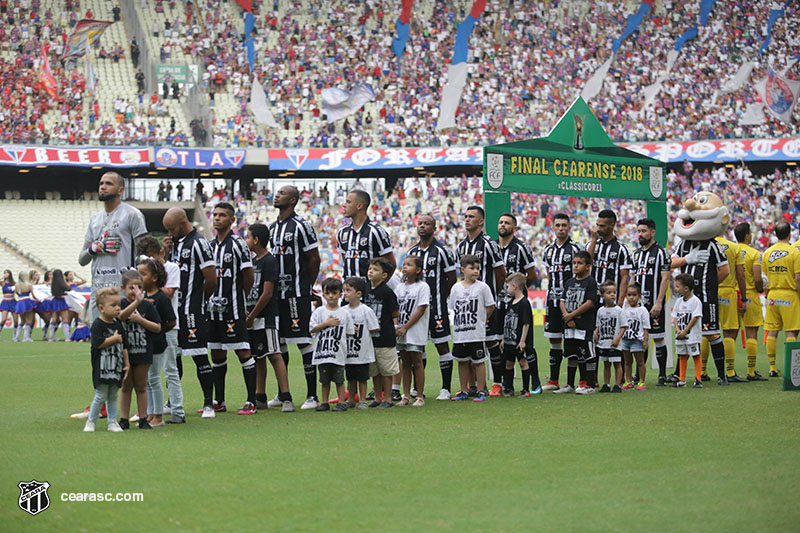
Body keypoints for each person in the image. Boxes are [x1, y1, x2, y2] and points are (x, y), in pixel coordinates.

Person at [162, 207, 218, 418]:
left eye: (172, 228)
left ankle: (208, 404)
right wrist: (165, 253)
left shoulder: (199, 243)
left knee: (199, 356)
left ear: (183, 221)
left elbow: (211, 279)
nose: (169, 233)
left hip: (192, 311)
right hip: (173, 312)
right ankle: (172, 401)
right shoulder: (173, 245)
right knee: (173, 359)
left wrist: (198, 301)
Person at [270, 185, 321, 410]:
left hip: (296, 293)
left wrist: (307, 284)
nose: (276, 195)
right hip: (276, 295)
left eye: (282, 193)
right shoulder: (272, 228)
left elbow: (314, 258)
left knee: (302, 340)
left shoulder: (302, 226)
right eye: (277, 192)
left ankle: (312, 395)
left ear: (292, 200)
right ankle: (283, 393)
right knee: (279, 342)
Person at [671, 192, 731, 385]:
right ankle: (679, 373)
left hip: (706, 298)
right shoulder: (683, 244)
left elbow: (724, 270)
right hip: (685, 300)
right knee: (683, 334)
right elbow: (670, 263)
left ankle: (722, 375)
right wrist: (687, 260)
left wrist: (710, 286)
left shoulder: (713, 245)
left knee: (712, 333)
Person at [78, 171, 147, 324]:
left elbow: (144, 252)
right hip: (99, 288)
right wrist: (93, 249)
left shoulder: (132, 215)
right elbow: (82, 260)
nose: (103, 187)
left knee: (123, 339)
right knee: (99, 340)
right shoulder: (95, 219)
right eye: (101, 183)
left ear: (120, 190)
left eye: (109, 184)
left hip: (123, 288)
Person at [207, 202, 257, 416]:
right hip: (212, 310)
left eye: (223, 215)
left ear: (232, 220)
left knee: (243, 351)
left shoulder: (238, 245)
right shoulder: (210, 246)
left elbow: (249, 277)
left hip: (233, 310)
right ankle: (219, 400)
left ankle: (251, 401)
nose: (217, 218)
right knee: (217, 352)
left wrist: (240, 300)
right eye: (215, 214)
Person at [406, 215, 457, 400]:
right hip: (416, 309)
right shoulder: (412, 252)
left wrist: (441, 298)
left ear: (434, 228)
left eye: (427, 224)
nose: (422, 226)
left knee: (442, 345)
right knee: (416, 347)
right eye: (420, 223)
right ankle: (416, 387)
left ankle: (445, 388)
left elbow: (451, 278)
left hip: (436, 308)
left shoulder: (442, 251)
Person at [456, 206, 505, 396]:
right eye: (465, 216)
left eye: (471, 217)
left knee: (492, 343)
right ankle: (472, 386)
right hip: (467, 306)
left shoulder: (488, 244)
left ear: (481, 221)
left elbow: (501, 273)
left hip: (486, 304)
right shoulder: (461, 246)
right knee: (468, 346)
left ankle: (497, 384)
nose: (467, 219)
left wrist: (493, 296)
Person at [245, 223, 293, 412]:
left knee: (274, 354)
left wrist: (253, 315)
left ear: (256, 240)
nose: (246, 240)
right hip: (253, 316)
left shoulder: (269, 261)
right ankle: (260, 396)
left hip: (266, 317)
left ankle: (286, 396)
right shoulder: (254, 261)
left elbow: (267, 293)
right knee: (258, 356)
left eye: (248, 237)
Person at [137, 235, 185, 423]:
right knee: (151, 374)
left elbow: (170, 292)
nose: (147, 261)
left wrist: (151, 283)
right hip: (150, 331)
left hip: (168, 327)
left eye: (149, 257)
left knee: (170, 370)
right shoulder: (145, 276)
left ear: (158, 253)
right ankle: (152, 411)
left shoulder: (171, 268)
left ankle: (177, 410)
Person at [495, 212, 536, 396]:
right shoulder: (493, 247)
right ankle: (506, 385)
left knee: (525, 347)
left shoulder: (521, 248)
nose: (503, 225)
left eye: (507, 223)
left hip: (518, 307)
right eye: (501, 222)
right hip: (500, 306)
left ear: (514, 228)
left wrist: (519, 294)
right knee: (504, 347)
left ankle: (533, 384)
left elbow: (532, 275)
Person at [542, 213, 582, 391]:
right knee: (554, 339)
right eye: (557, 225)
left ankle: (573, 382)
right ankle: (553, 380)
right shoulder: (548, 250)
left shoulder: (575, 249)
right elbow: (550, 273)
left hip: (571, 302)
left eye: (564, 225)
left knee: (572, 340)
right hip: (552, 300)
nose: (561, 228)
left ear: (569, 228)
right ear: (553, 227)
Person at [118, 270, 161, 430]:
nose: (135, 292)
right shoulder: (121, 303)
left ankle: (143, 418)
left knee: (141, 386)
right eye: (131, 288)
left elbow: (157, 327)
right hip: (126, 353)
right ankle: (123, 418)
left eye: (139, 288)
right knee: (126, 386)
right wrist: (136, 303)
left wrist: (140, 319)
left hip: (143, 351)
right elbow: (121, 317)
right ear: (123, 288)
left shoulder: (148, 306)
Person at [449, 254, 495, 402]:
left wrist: (483, 319)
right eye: (472, 268)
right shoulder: (456, 288)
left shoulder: (483, 287)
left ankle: (481, 390)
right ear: (462, 269)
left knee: (478, 362)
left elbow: (490, 306)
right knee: (462, 361)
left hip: (476, 334)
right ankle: (464, 390)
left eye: (478, 268)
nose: (476, 271)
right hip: (460, 333)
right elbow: (453, 308)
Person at [631, 218, 671, 385]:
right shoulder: (636, 254)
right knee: (639, 338)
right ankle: (639, 374)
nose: (640, 234)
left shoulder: (662, 253)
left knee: (658, 337)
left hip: (654, 302)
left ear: (652, 232)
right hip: (639, 305)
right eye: (639, 231)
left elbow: (665, 278)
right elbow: (633, 279)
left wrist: (659, 302)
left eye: (644, 231)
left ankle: (662, 374)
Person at [84, 287, 129, 433]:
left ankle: (112, 422)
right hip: (101, 367)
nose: (117, 308)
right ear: (101, 308)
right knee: (101, 395)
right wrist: (114, 339)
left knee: (113, 395)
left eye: (119, 305)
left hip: (116, 366)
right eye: (113, 305)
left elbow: (124, 346)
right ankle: (91, 421)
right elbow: (98, 343)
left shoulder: (118, 325)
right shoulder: (97, 324)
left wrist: (126, 364)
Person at [759, 221, 800, 377]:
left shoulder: (767, 253)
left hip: (773, 295)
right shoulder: (795, 252)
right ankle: (792, 369)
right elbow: (798, 278)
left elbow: (764, 279)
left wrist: (767, 294)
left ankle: (772, 368)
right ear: (790, 234)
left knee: (772, 332)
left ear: (775, 234)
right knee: (791, 333)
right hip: (790, 294)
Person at [138, 258, 175, 427]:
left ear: (154, 278)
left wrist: (159, 331)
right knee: (146, 380)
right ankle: (150, 414)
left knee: (154, 379)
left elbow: (171, 321)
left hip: (157, 344)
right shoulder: (141, 297)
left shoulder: (161, 297)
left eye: (143, 274)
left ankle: (158, 416)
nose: (139, 278)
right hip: (144, 344)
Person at [556, 251, 599, 395]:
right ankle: (569, 384)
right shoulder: (569, 282)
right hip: (569, 326)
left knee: (588, 354)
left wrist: (571, 316)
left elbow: (590, 303)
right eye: (574, 263)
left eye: (579, 263)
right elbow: (562, 301)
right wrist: (566, 316)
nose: (575, 266)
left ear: (587, 266)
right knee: (571, 354)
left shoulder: (591, 282)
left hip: (584, 326)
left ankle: (590, 384)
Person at [310, 278, 354, 412]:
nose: (331, 296)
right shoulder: (319, 312)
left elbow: (350, 332)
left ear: (340, 294)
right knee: (324, 380)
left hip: (338, 352)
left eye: (334, 293)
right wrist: (326, 324)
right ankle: (324, 402)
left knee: (339, 379)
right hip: (323, 353)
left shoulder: (345, 313)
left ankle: (341, 402)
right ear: (323, 294)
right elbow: (312, 329)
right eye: (327, 293)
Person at [394, 256, 430, 407]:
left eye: (409, 265)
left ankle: (419, 395)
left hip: (415, 331)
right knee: (405, 362)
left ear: (418, 270)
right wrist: (396, 326)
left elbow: (421, 309)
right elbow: (394, 309)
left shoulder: (422, 287)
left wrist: (405, 327)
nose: (405, 267)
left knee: (417, 361)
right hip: (401, 332)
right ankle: (406, 395)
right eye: (404, 264)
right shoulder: (399, 287)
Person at [364, 258, 400, 408]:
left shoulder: (387, 292)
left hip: (385, 338)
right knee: (375, 371)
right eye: (370, 268)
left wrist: (395, 327)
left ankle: (388, 399)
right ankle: (377, 398)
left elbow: (395, 312)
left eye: (375, 269)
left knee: (386, 371)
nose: (371, 271)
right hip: (369, 339)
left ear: (384, 275)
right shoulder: (365, 289)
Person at [337, 189, 396, 280]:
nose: (344, 205)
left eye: (348, 202)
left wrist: (377, 288)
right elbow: (346, 260)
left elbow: (391, 264)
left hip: (368, 291)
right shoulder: (342, 232)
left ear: (359, 206)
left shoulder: (376, 231)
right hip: (349, 291)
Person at [713, 231, 748, 382]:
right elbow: (740, 275)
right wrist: (744, 298)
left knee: (707, 332)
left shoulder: (707, 245)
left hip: (711, 291)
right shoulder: (734, 247)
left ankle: (702, 372)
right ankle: (730, 372)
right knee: (730, 332)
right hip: (728, 292)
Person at [734, 223, 767, 381]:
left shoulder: (732, 251)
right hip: (750, 295)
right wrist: (761, 288)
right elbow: (757, 278)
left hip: (733, 295)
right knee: (752, 333)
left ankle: (729, 371)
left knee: (729, 334)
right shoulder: (755, 253)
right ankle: (751, 371)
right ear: (747, 236)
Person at [343, 277, 379, 410]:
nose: (345, 293)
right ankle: (351, 399)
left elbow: (374, 328)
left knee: (363, 378)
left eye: (348, 290)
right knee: (351, 378)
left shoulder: (366, 310)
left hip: (362, 351)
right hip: (348, 351)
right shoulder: (344, 310)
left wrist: (357, 328)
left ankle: (363, 399)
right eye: (344, 290)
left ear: (358, 293)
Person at [500, 272, 538, 396]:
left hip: (518, 341)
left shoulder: (524, 303)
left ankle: (526, 389)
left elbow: (526, 323)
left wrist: (522, 341)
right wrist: (503, 339)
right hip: (509, 340)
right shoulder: (511, 302)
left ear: (515, 286)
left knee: (523, 362)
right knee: (509, 363)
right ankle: (509, 388)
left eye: (508, 286)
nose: (507, 289)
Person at [587, 209, 631, 308]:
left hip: (611, 301)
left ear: (612, 225)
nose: (598, 229)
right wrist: (594, 241)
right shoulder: (591, 245)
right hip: (592, 299)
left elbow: (624, 277)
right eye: (597, 225)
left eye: (602, 226)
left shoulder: (621, 249)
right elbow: (586, 263)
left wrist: (620, 301)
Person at [671, 274, 704, 389]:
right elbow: (675, 317)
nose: (675, 289)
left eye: (677, 286)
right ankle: (682, 379)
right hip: (680, 335)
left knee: (695, 355)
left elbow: (695, 317)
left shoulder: (695, 301)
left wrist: (686, 330)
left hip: (692, 336)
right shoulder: (679, 301)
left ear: (686, 288)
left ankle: (698, 379)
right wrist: (678, 330)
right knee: (682, 355)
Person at [594, 280, 624, 393]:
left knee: (617, 363)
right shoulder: (600, 311)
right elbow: (598, 325)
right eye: (609, 292)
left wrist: (618, 339)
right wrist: (596, 333)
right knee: (606, 364)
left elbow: (623, 327)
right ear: (602, 295)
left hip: (614, 342)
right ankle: (606, 384)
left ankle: (617, 385)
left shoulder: (619, 311)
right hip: (604, 342)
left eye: (614, 292)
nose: (612, 295)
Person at [620, 284, 650, 391]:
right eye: (629, 295)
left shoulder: (642, 310)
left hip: (637, 340)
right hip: (626, 339)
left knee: (640, 361)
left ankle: (641, 381)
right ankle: (629, 381)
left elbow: (646, 327)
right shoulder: (624, 310)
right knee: (627, 361)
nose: (631, 297)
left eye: (634, 295)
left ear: (639, 296)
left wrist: (645, 340)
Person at [48, 270, 73, 342]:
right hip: (61, 301)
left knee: (54, 319)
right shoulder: (61, 282)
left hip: (55, 301)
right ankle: (67, 337)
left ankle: (51, 337)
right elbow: (68, 288)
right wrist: (64, 280)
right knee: (65, 319)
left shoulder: (53, 283)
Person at [14, 271, 38, 342]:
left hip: (20, 302)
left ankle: (16, 337)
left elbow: (17, 293)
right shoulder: (28, 285)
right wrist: (38, 299)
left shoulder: (17, 285)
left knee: (22, 321)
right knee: (29, 320)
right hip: (27, 301)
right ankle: (25, 337)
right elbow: (33, 295)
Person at [1, 270, 18, 340]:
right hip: (5, 301)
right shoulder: (3, 283)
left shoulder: (14, 283)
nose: (6, 274)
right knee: (4, 319)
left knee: (16, 320)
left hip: (12, 301)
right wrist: (2, 277)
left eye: (7, 273)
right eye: (4, 273)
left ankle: (15, 335)